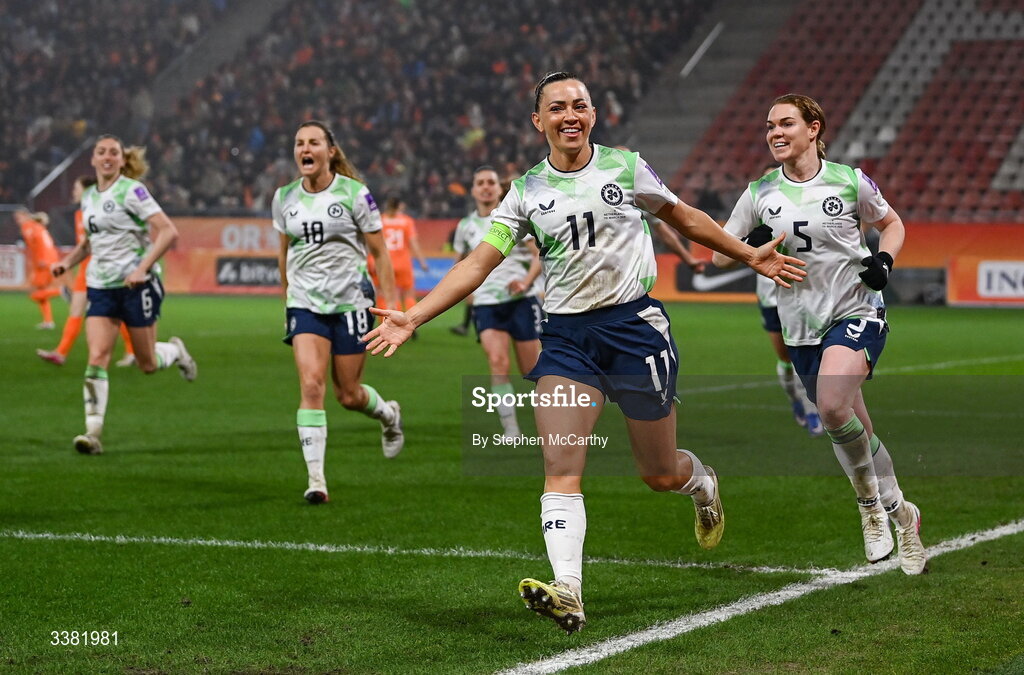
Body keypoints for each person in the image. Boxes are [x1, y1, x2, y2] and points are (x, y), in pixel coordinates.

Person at [363, 72, 805, 633]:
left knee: (659, 474)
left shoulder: (625, 166)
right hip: (569, 339)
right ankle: (568, 588)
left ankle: (703, 483)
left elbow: (683, 216)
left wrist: (750, 256)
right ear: (539, 121)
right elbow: (479, 263)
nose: (569, 115)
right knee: (561, 465)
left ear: (593, 115)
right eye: (557, 108)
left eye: (579, 106)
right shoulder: (524, 192)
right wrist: (416, 313)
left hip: (635, 331)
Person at [711, 93, 926, 575]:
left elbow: (891, 224)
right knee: (852, 425)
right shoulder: (760, 193)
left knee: (830, 405)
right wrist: (749, 246)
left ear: (813, 128)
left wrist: (883, 261)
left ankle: (869, 506)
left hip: (856, 311)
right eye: (769, 126)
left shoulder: (848, 181)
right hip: (802, 327)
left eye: (786, 123)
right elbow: (718, 256)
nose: (775, 133)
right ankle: (904, 515)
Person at [274, 120, 405, 505]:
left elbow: (380, 253)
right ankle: (317, 480)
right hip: (306, 304)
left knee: (347, 394)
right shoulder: (283, 197)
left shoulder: (354, 194)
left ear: (330, 151)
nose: (305, 149)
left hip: (351, 303)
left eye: (313, 142)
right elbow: (283, 254)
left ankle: (389, 416)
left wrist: (391, 306)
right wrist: (287, 298)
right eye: (299, 143)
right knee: (311, 386)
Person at [50, 135, 198, 456]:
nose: (107, 157)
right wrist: (66, 263)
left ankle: (174, 351)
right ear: (92, 159)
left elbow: (168, 230)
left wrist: (142, 268)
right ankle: (93, 433)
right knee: (97, 355)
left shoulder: (132, 190)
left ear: (121, 160)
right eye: (101, 152)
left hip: (137, 286)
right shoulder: (89, 196)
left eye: (113, 153)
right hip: (101, 286)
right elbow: (90, 242)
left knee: (146, 364)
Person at [453, 165, 543, 437]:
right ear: (473, 190)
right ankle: (511, 429)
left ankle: (553, 424)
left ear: (497, 187)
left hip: (522, 301)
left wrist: (527, 283)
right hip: (487, 305)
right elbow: (459, 265)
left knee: (535, 370)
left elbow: (538, 256)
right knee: (498, 363)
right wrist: (467, 292)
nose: (486, 186)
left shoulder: (513, 217)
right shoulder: (466, 226)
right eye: (480, 182)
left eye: (490, 182)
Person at [736, 164, 822, 436]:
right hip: (771, 294)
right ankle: (796, 399)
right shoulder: (756, 204)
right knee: (785, 358)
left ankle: (813, 411)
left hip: (803, 291)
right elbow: (729, 247)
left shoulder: (804, 204)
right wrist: (749, 242)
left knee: (807, 355)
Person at [37, 176, 136, 367]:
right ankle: (60, 353)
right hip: (85, 270)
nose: (73, 192)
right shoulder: (79, 214)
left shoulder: (102, 211)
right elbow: (84, 246)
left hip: (104, 270)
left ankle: (132, 351)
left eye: (76, 188)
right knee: (75, 309)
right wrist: (67, 264)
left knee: (116, 312)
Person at [14, 208, 61, 329]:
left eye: (18, 218)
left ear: (25, 216)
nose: (17, 221)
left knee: (35, 293)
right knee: (41, 291)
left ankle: (61, 291)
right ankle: (48, 321)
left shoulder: (28, 226)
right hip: (49, 259)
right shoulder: (37, 226)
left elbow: (40, 243)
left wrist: (42, 259)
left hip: (44, 262)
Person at [379, 197, 429, 311]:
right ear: (400, 205)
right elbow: (414, 243)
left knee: (390, 295)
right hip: (403, 263)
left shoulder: (380, 220)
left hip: (386, 263)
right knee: (409, 294)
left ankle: (390, 323)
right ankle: (411, 323)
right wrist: (422, 262)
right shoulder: (407, 221)